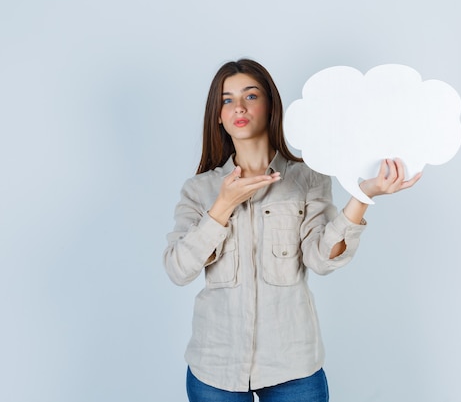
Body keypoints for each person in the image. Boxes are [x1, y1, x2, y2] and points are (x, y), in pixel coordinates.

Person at [163, 59, 421, 401]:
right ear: (219, 116)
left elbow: (320, 259)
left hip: (293, 367)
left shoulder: (308, 178)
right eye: (227, 100)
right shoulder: (198, 190)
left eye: (250, 96)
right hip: (215, 367)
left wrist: (364, 195)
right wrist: (222, 206)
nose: (238, 106)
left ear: (271, 106)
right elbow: (178, 270)